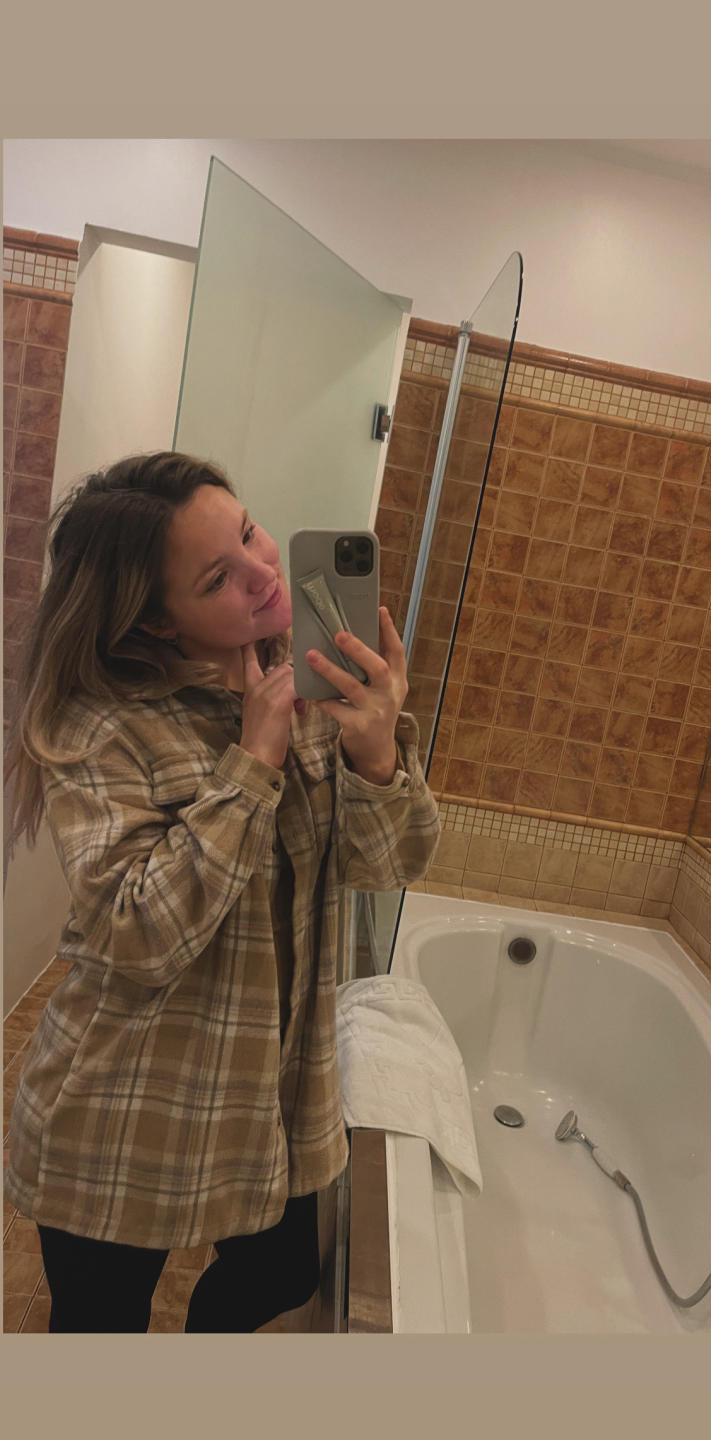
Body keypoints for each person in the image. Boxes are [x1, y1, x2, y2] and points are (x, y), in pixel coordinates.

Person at [4, 451, 440, 1333]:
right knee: (99, 1331)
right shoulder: (102, 725)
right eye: (218, 577)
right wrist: (252, 761)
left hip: (270, 1090)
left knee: (281, 1276)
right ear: (156, 621)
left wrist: (377, 753)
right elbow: (137, 936)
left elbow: (388, 865)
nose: (264, 571)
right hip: (128, 1103)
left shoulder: (311, 680)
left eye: (249, 533)